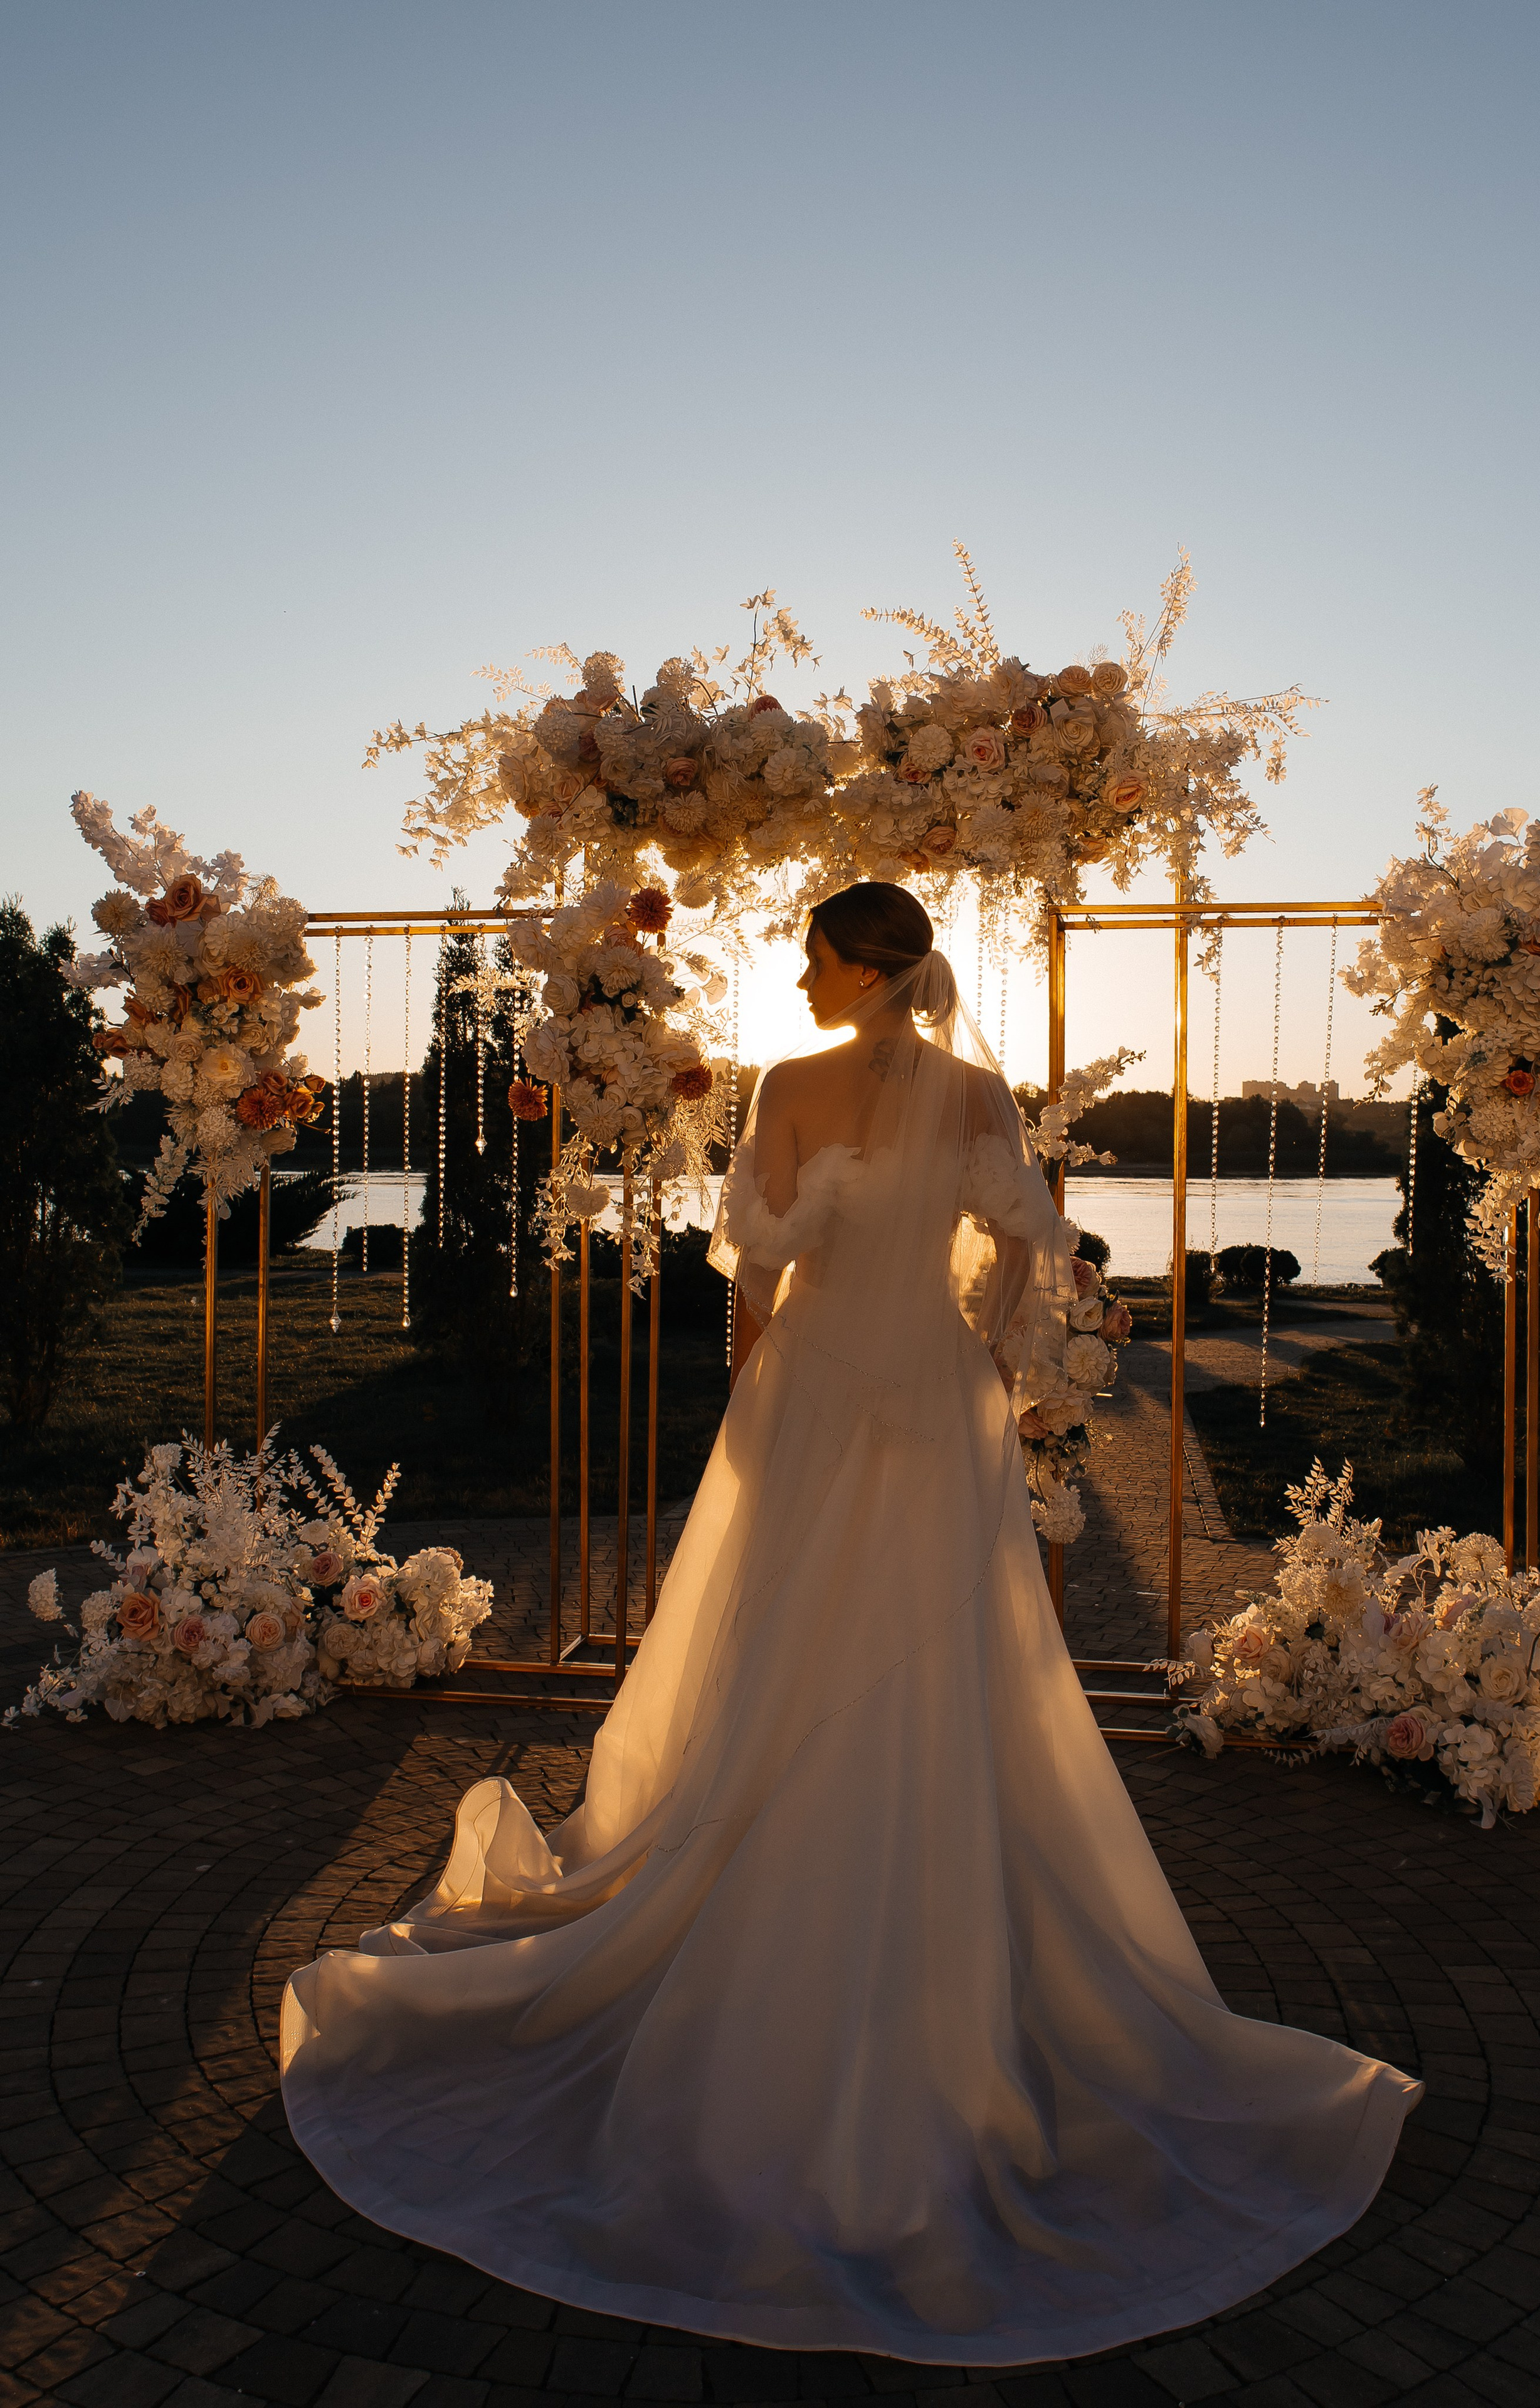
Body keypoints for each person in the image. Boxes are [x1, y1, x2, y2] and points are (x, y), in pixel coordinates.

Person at [280, 881, 1420, 2367]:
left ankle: (798, 1867)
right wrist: (985, 1356)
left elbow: (754, 1267)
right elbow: (1024, 1254)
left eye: (812, 952)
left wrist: (762, 1403)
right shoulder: (968, 1093)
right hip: (930, 1399)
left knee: (816, 1640)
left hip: (822, 1388)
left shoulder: (799, 1087)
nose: (798, 974)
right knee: (909, 1650)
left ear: (864, 963)